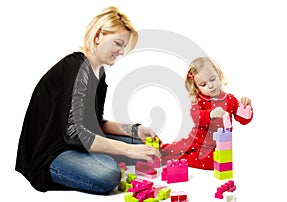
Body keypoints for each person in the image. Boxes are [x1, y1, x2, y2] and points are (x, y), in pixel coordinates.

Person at [15, 6, 161, 194]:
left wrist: (134, 129)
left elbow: (95, 123)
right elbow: (74, 133)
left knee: (140, 145)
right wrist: (125, 150)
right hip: (52, 153)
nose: (121, 51)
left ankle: (99, 156)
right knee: (108, 173)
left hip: (74, 142)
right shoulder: (76, 67)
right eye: (118, 43)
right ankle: (91, 162)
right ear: (98, 36)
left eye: (124, 46)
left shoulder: (98, 74)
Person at [161, 57, 253, 170]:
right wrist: (210, 114)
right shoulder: (198, 100)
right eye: (203, 84)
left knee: (213, 163)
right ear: (197, 87)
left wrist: (246, 107)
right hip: (195, 140)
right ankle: (159, 149)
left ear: (219, 74)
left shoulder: (230, 99)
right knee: (173, 148)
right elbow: (196, 117)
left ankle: (177, 159)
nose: (210, 86)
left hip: (216, 146)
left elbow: (243, 120)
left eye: (212, 79)